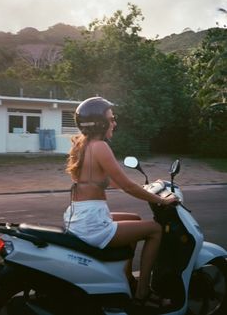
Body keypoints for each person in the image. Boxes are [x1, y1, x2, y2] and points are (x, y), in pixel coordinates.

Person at [64, 96, 178, 308]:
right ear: (100, 123)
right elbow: (126, 185)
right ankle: (142, 292)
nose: (115, 123)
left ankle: (126, 279)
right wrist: (160, 200)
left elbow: (109, 182)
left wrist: (147, 187)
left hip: (81, 215)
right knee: (155, 230)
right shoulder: (100, 146)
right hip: (92, 222)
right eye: (112, 119)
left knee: (134, 219)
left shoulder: (84, 145)